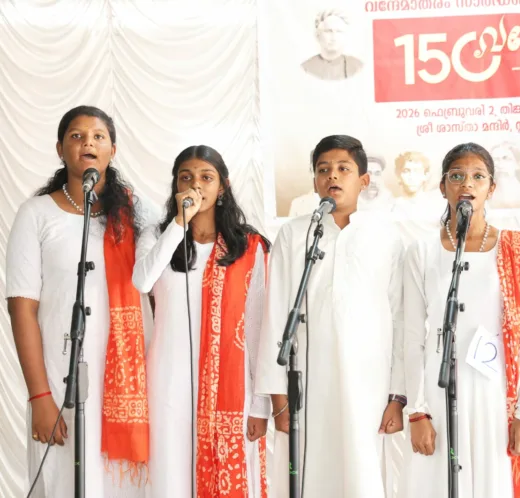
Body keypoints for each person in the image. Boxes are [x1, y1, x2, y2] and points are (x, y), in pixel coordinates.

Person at [6, 105, 150, 497]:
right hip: (59, 378)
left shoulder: (137, 214)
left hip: (127, 383)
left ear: (112, 151)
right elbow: (22, 307)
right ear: (60, 148)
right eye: (77, 136)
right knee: (64, 483)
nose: (88, 142)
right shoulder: (36, 214)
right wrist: (40, 397)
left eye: (98, 136)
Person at [255, 135, 406, 498]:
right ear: (314, 182)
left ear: (364, 180)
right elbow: (276, 315)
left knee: (361, 473)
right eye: (323, 170)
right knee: (308, 474)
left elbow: (400, 317)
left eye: (343, 169)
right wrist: (278, 397)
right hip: (307, 382)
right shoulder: (294, 234)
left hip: (368, 383)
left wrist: (398, 396)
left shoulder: (386, 236)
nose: (332, 176)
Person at [132, 145, 271, 498]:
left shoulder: (248, 247)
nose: (196, 185)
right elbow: (142, 281)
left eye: (206, 177)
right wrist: (179, 224)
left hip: (231, 387)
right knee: (170, 477)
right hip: (167, 383)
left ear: (222, 186)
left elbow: (257, 327)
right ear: (176, 186)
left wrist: (260, 404)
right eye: (186, 178)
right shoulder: (157, 237)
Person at [403, 143, 520, 497]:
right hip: (439, 388)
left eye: (478, 177)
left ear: (491, 188)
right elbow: (412, 337)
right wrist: (417, 411)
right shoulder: (421, 251)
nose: (467, 183)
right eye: (457, 176)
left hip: (493, 390)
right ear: (442, 186)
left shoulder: (514, 248)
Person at [301, 9, 363, 81]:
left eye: (338, 31)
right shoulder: (305, 68)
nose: (334, 37)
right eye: (328, 31)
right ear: (317, 36)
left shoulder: (357, 66)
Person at [488, 142, 520, 209]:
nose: (499, 164)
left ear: (518, 163)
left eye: (505, 158)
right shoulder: (485, 194)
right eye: (495, 159)